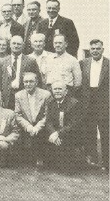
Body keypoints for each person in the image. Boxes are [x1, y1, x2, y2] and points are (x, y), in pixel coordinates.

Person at [79, 40, 109, 170]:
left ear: (102, 49)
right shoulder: (83, 63)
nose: (95, 51)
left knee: (105, 132)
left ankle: (107, 162)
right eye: (92, 49)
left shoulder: (108, 64)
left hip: (103, 102)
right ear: (89, 50)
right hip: (88, 101)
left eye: (98, 48)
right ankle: (92, 160)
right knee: (89, 131)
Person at [14, 72, 51, 167]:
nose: (28, 84)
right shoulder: (18, 95)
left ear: (36, 82)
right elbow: (18, 115)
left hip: (41, 127)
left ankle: (41, 157)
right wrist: (28, 126)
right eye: (26, 82)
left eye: (31, 81)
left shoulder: (46, 95)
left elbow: (47, 115)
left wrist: (37, 127)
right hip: (26, 126)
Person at [44, 82, 83, 169]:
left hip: (69, 135)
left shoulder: (74, 103)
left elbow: (73, 124)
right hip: (55, 136)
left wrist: (58, 133)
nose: (57, 91)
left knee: (68, 167)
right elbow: (48, 121)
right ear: (52, 91)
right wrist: (53, 133)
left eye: (60, 89)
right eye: (55, 89)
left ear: (66, 91)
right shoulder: (50, 102)